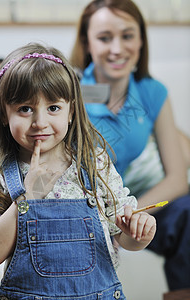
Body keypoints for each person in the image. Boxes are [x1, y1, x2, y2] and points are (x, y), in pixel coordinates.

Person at [0, 42, 156, 299]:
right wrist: (27, 198)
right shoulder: (0, 173)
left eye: (53, 108)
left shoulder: (94, 163)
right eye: (25, 109)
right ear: (3, 113)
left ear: (70, 112)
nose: (40, 122)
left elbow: (123, 238)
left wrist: (139, 234)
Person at [70, 0, 190, 290]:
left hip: (133, 206)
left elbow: (176, 179)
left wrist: (132, 215)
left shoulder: (151, 92)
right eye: (104, 37)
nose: (117, 49)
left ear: (141, 40)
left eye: (127, 35)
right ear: (86, 42)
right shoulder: (68, 91)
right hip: (79, 205)